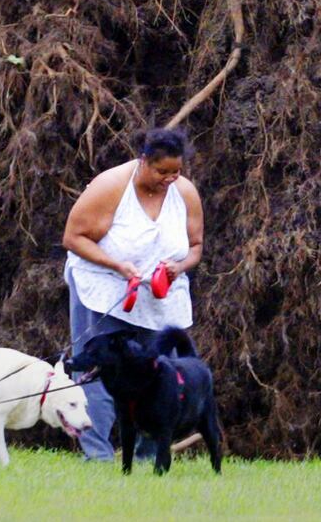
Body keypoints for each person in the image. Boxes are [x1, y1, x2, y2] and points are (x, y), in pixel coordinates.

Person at [62, 126, 204, 462]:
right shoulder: (111, 186)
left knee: (160, 372)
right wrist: (118, 266)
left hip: (157, 297)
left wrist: (178, 267)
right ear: (143, 162)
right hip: (105, 289)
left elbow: (196, 246)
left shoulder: (184, 192)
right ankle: (97, 456)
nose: (169, 179)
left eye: (176, 172)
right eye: (161, 171)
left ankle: (147, 455)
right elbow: (73, 237)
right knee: (98, 370)